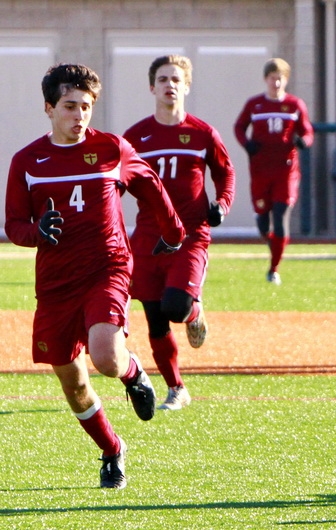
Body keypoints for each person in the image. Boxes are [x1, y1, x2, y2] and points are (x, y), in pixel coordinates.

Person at [4, 64, 186, 489]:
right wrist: (37, 233)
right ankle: (111, 449)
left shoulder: (111, 150)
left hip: (108, 268)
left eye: (86, 106)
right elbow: (14, 225)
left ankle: (133, 372)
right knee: (75, 386)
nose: (79, 115)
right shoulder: (27, 161)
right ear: (49, 108)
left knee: (105, 356)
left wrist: (174, 232)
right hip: (55, 284)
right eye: (70, 106)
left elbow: (151, 185)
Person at [124, 55, 236, 410]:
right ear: (151, 87)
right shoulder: (135, 137)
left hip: (191, 235)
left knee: (176, 307)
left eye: (176, 79)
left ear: (186, 86)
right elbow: (116, 182)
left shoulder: (202, 133)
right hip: (147, 237)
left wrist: (222, 204)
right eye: (162, 79)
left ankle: (194, 312)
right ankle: (177, 389)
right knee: (155, 319)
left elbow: (226, 173)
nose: (169, 85)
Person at [234, 57, 314, 285]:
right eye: (272, 79)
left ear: (286, 80)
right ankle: (275, 245)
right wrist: (246, 143)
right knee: (263, 221)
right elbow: (239, 126)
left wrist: (304, 142)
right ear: (265, 79)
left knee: (280, 215)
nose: (276, 84)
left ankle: (274, 268)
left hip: (286, 170)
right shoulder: (255, 105)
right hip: (260, 170)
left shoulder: (295, 105)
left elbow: (307, 130)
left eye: (280, 79)